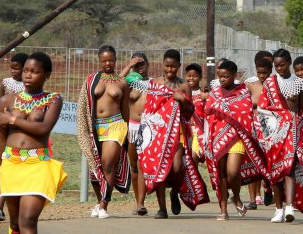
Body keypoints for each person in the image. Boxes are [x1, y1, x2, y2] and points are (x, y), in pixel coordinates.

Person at [0, 52, 67, 234]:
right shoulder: (6, 101)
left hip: (38, 165)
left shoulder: (54, 99)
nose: (28, 75)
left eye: (34, 71)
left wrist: (13, 120)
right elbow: (0, 139)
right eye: (25, 70)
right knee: (15, 224)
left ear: (47, 74)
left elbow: (43, 129)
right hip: (11, 164)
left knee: (28, 221)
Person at [139, 49, 208, 218]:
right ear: (163, 64)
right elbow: (150, 109)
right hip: (157, 133)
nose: (169, 70)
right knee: (159, 168)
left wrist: (183, 100)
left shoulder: (184, 86)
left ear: (179, 66)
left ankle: (174, 192)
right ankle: (162, 208)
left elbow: (190, 111)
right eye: (167, 66)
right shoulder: (155, 83)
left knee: (177, 168)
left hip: (177, 134)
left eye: (173, 67)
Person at [257, 51, 303, 223]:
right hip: (275, 134)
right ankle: (278, 209)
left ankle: (289, 206)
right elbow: (263, 108)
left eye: (282, 65)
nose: (279, 69)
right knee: (276, 172)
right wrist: (278, 121)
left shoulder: (300, 83)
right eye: (276, 66)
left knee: (290, 167)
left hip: (294, 133)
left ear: (289, 63)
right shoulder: (270, 83)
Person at [204, 60, 269, 221]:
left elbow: (246, 112)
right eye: (220, 77)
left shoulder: (243, 92)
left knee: (232, 173)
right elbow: (208, 114)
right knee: (221, 175)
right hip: (217, 138)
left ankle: (237, 197)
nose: (222, 79)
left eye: (226, 76)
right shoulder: (215, 93)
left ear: (234, 75)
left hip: (237, 137)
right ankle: (223, 209)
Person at [76, 45, 130, 219]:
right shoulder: (91, 80)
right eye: (104, 60)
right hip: (94, 127)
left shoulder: (122, 83)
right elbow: (84, 103)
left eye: (111, 60)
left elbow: (125, 111)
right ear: (99, 61)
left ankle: (104, 205)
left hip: (115, 125)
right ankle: (100, 202)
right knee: (95, 167)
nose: (108, 63)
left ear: (115, 60)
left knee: (108, 164)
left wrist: (127, 132)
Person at [0, 51, 28, 222]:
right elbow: (0, 105)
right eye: (11, 68)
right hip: (3, 130)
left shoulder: (28, 85)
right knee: (3, 164)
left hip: (18, 132)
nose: (13, 71)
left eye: (17, 69)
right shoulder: (5, 82)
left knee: (12, 166)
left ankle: (1, 206)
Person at [119, 53, 149, 216]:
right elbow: (115, 82)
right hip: (132, 127)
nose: (139, 68)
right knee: (134, 166)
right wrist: (129, 66)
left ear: (148, 65)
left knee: (143, 165)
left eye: (142, 64)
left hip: (148, 127)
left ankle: (141, 203)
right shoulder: (129, 82)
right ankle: (138, 202)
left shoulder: (153, 83)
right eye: (136, 65)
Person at [244, 51, 272, 210]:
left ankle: (268, 186)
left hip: (271, 129)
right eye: (259, 72)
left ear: (270, 71)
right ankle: (253, 199)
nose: (262, 76)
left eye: (265, 73)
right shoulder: (251, 86)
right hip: (254, 128)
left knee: (270, 162)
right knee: (253, 162)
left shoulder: (276, 86)